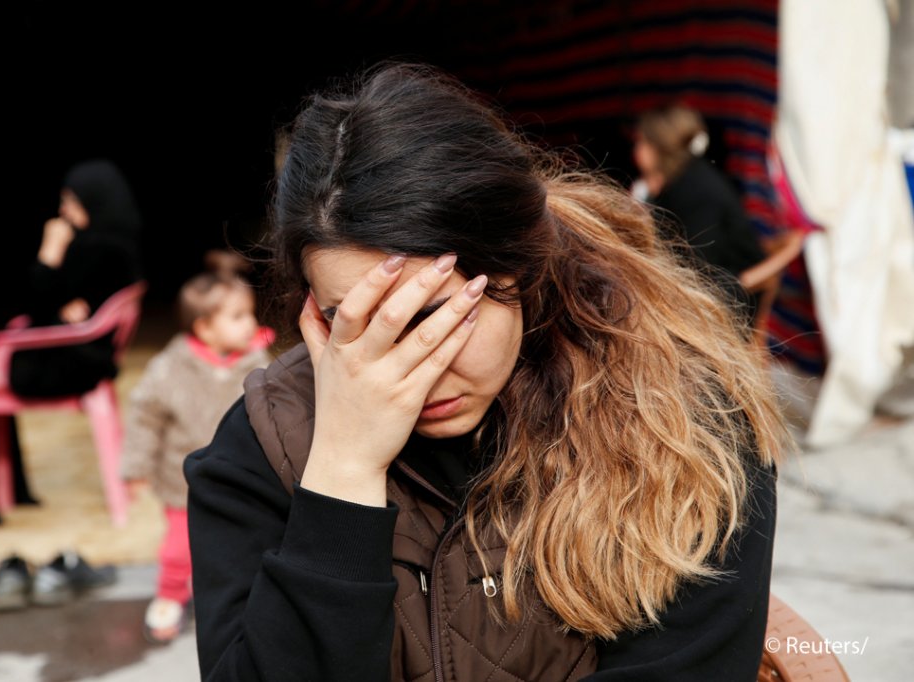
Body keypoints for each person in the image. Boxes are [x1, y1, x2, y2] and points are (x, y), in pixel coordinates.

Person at [186, 64, 785, 681]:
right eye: (357, 323)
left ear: (519, 265)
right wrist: (342, 469)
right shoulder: (260, 445)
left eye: (437, 314)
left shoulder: (683, 417)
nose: (413, 368)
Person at [0, 158, 142, 528]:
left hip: (69, 364)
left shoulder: (97, 249)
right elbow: (61, 306)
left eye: (70, 201)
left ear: (92, 201)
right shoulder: (119, 245)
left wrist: (49, 254)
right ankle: (6, 490)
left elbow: (36, 307)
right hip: (83, 358)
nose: (63, 212)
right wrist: (62, 308)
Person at [121, 252, 275, 642]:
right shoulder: (170, 368)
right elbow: (144, 417)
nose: (252, 325)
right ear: (204, 328)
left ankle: (237, 599)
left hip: (239, 476)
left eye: (250, 314)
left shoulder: (256, 362)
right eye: (238, 317)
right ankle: (171, 595)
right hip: (181, 480)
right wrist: (137, 468)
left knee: (240, 543)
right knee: (179, 547)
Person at [633, 104, 767, 327]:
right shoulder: (677, 183)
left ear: (661, 146)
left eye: (642, 142)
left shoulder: (696, 190)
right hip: (703, 289)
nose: (636, 150)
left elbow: (696, 265)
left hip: (724, 306)